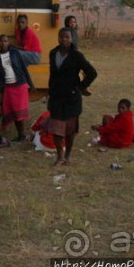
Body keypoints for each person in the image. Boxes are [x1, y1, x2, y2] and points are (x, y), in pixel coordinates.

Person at [47, 27, 97, 166]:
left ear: (72, 39)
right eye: (62, 37)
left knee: (69, 130)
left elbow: (92, 73)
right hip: (56, 96)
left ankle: (68, 155)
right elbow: (52, 74)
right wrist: (50, 91)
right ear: (58, 38)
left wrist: (80, 87)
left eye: (67, 37)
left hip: (71, 97)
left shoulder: (77, 56)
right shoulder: (53, 53)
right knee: (56, 128)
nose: (64, 39)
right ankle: (59, 156)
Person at [0, 35, 35, 142]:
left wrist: (31, 83)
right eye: (1, 41)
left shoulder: (15, 53)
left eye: (5, 41)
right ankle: (20, 135)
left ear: (8, 42)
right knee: (13, 111)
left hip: (19, 85)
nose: (3, 43)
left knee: (19, 111)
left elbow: (23, 68)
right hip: (8, 87)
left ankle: (22, 134)